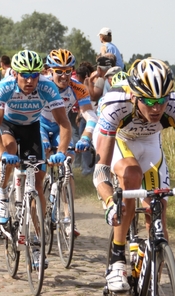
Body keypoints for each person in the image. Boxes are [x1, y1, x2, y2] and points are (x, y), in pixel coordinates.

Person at [94, 58, 175, 292]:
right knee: (132, 175)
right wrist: (110, 201)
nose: (157, 108)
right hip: (119, 138)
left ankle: (152, 281)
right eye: (149, 101)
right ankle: (117, 259)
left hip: (150, 143)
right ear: (134, 96)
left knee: (157, 211)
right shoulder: (115, 104)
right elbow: (101, 170)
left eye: (161, 100)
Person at [0, 50, 71, 232]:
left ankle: (38, 236)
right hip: (8, 125)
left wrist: (62, 151)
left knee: (38, 181)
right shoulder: (5, 86)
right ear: (15, 73)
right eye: (25, 75)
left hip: (32, 126)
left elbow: (64, 122)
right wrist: (2, 154)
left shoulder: (47, 87)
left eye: (34, 75)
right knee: (9, 148)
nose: (30, 81)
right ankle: (2, 195)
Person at [40, 49, 99, 236]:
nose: (64, 75)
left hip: (60, 127)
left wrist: (86, 137)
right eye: (59, 71)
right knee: (39, 163)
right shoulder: (41, 85)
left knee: (67, 167)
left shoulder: (78, 87)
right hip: (39, 125)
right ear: (50, 70)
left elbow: (90, 114)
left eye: (68, 71)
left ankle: (68, 218)